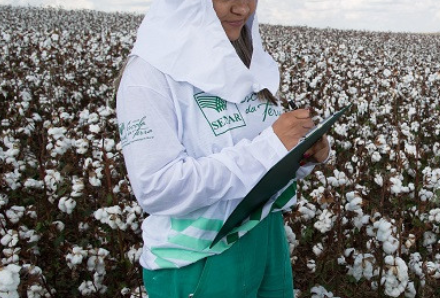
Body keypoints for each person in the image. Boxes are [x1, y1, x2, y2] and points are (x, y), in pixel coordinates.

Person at [115, 0, 329, 296]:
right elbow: (156, 187)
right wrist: (270, 147)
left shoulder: (244, 59)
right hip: (199, 262)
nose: (243, 10)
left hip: (265, 236)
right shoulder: (148, 76)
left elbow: (258, 155)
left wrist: (300, 153)